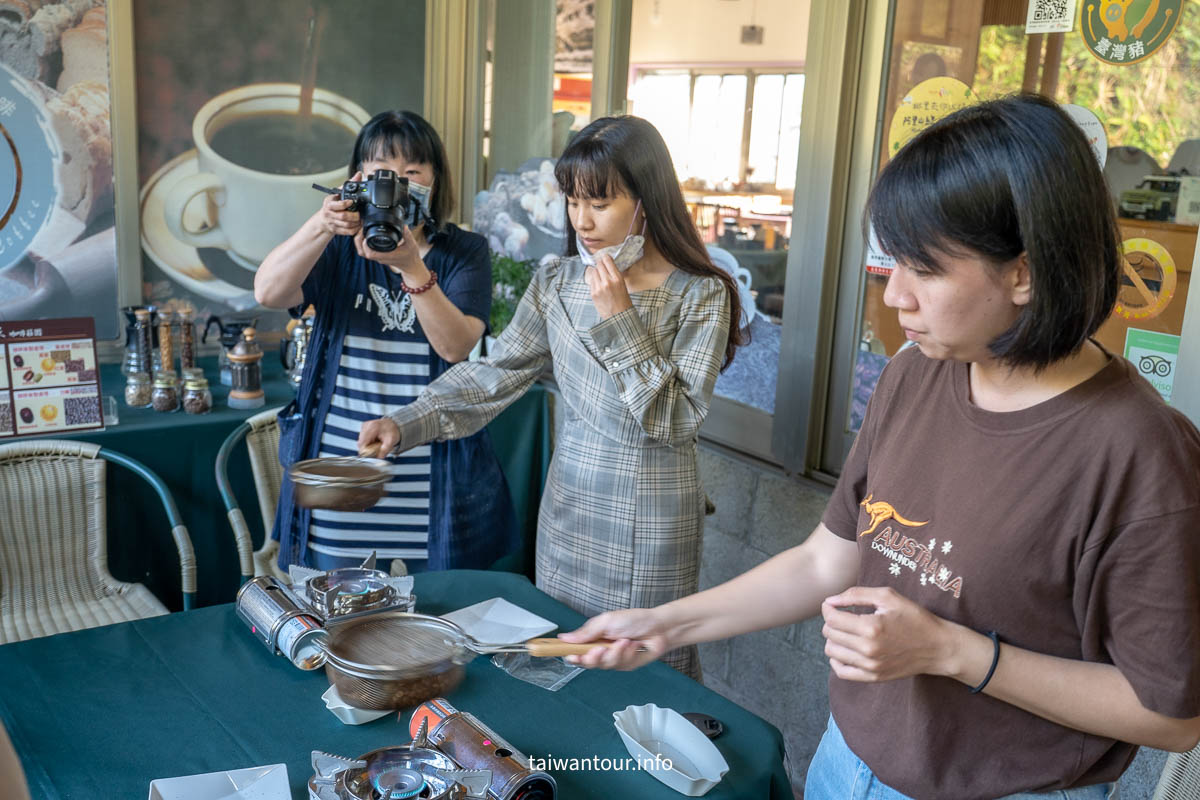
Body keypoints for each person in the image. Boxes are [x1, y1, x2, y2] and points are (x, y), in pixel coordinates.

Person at [558, 94, 1200, 799]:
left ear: (1026, 271)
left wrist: (953, 653)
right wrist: (664, 624)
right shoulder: (915, 375)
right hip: (846, 763)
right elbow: (824, 562)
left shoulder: (1139, 453)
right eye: (890, 262)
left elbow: (1170, 715)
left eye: (923, 269)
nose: (894, 297)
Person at [358, 115, 745, 677]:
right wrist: (408, 421)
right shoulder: (557, 281)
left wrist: (621, 318)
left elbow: (673, 421)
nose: (582, 222)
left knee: (645, 663)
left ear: (647, 200)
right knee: (563, 657)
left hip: (652, 516)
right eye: (572, 202)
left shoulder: (700, 293)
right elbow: (496, 373)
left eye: (600, 203)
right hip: (568, 508)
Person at [255, 110, 518, 575]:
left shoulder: (464, 252)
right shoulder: (337, 246)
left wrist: (411, 266)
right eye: (382, 173)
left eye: (412, 172)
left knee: (432, 608)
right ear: (358, 180)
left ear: (435, 181)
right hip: (342, 473)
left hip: (433, 475)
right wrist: (322, 225)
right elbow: (269, 292)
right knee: (337, 602)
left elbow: (455, 347)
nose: (396, 184)